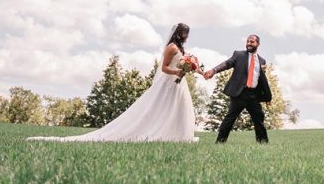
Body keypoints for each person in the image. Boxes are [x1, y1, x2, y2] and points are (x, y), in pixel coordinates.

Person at [28, 23, 197, 142]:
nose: (187, 37)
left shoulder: (182, 49)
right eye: (185, 33)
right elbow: (165, 68)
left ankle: (178, 135)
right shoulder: (172, 48)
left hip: (179, 84)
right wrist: (178, 71)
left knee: (179, 108)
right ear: (179, 33)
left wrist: (191, 68)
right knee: (160, 109)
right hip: (169, 82)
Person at [203, 33, 271, 144]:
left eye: (252, 42)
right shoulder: (239, 55)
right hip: (240, 94)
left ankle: (263, 143)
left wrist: (266, 97)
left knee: (259, 120)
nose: (249, 43)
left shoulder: (262, 61)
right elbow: (227, 64)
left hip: (254, 95)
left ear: (258, 44)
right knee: (229, 119)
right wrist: (213, 71)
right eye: (248, 41)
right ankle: (220, 142)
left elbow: (262, 81)